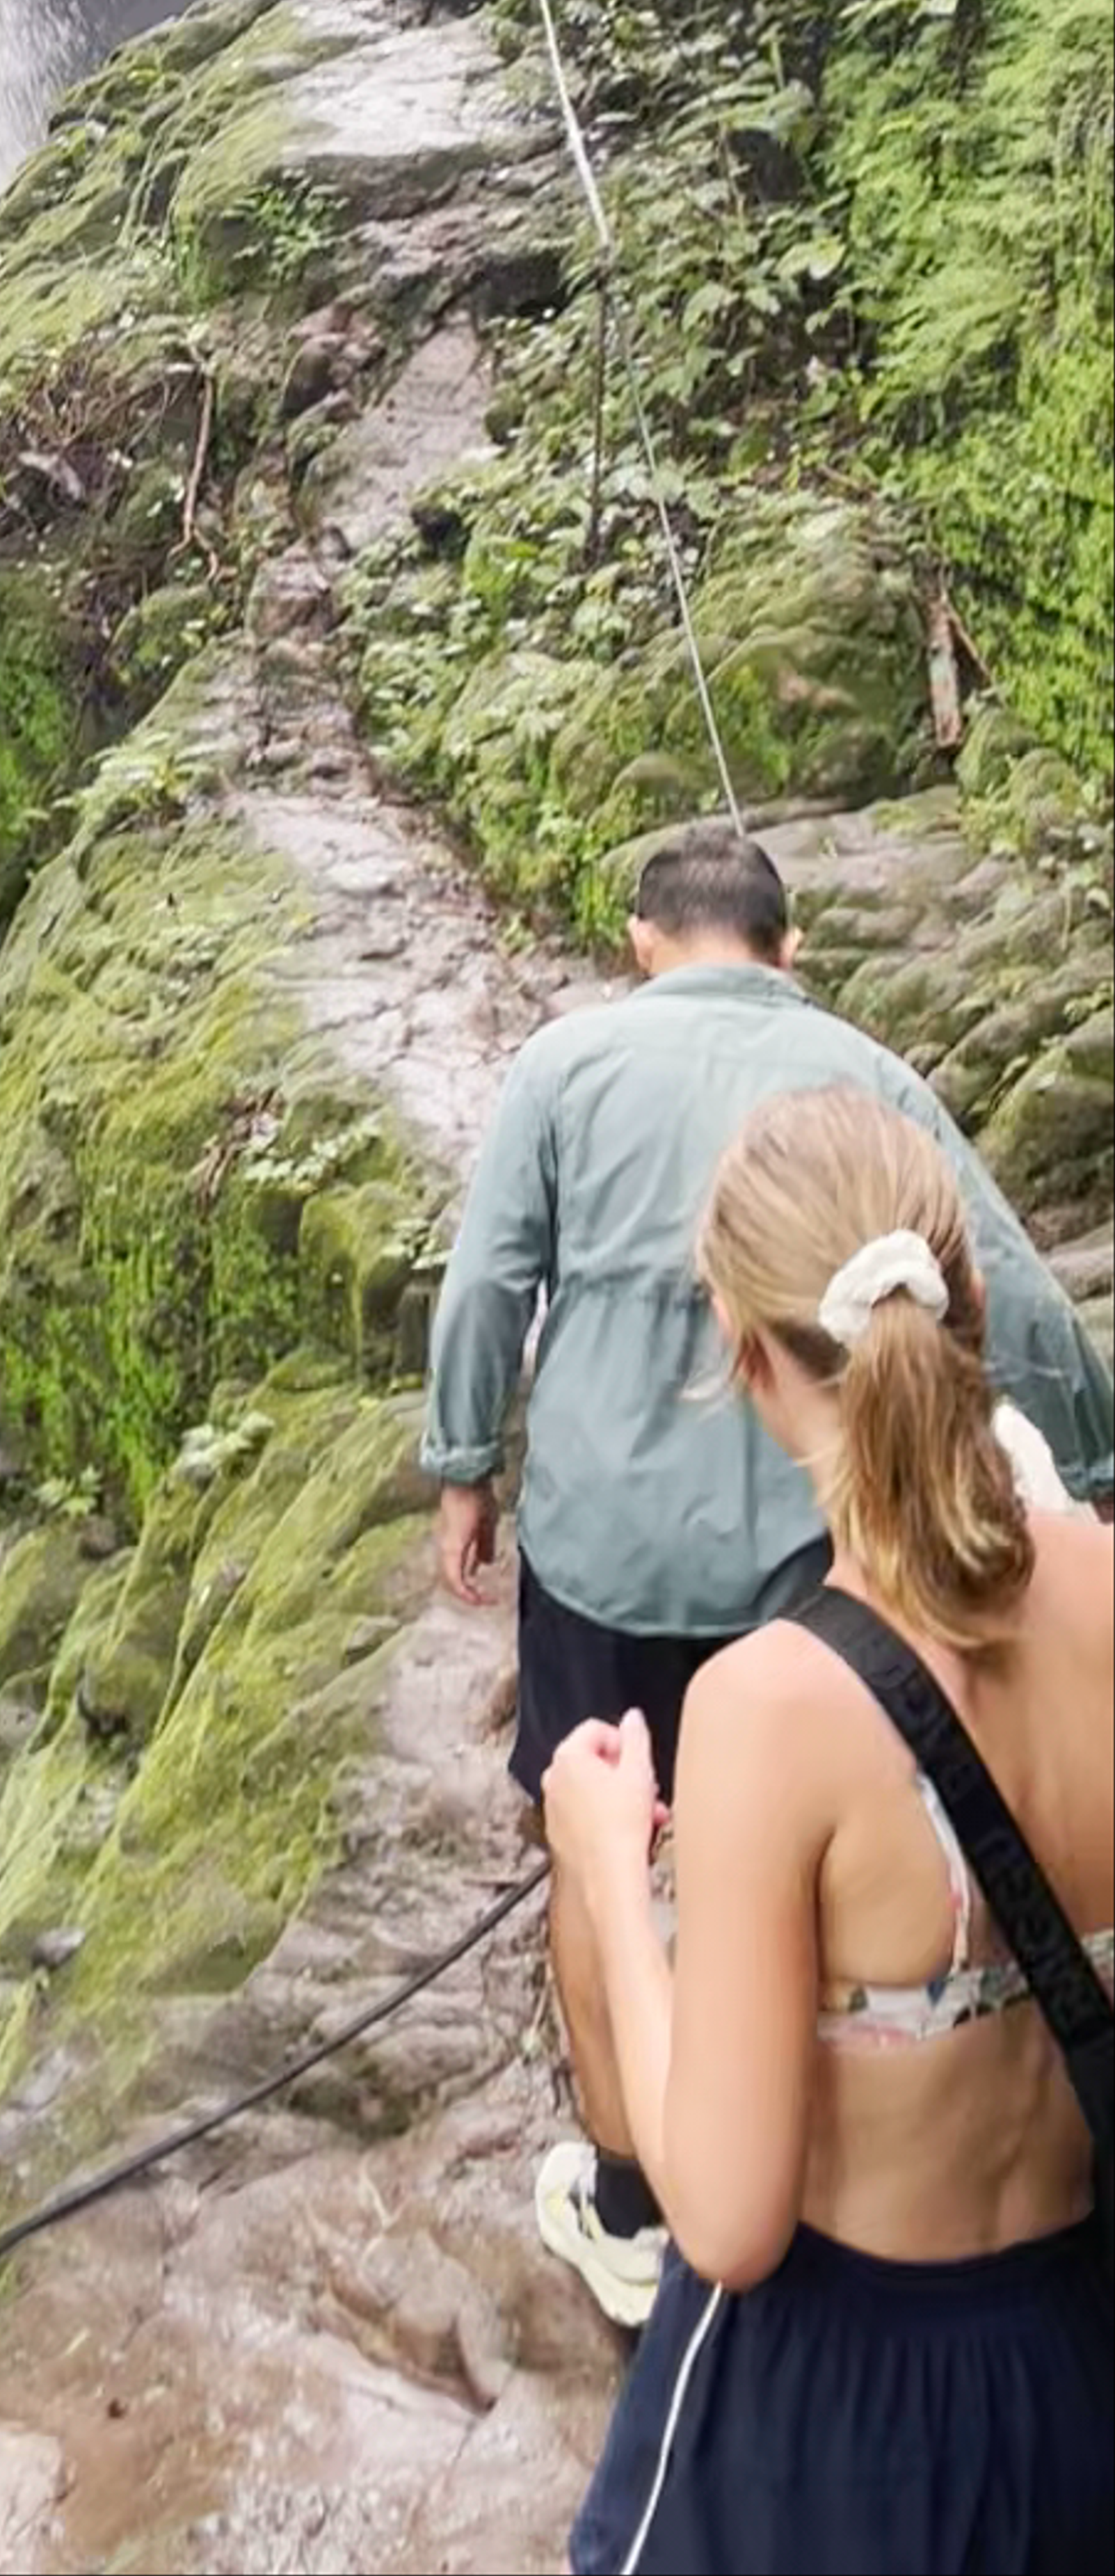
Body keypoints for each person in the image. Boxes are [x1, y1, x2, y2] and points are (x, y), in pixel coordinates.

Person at [419, 821, 1110, 2319]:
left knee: (594, 1848)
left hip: (602, 1549)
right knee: (798, 1862)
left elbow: (488, 1279)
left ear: (641, 939)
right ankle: (815, 2138)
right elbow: (1022, 1297)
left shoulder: (562, 1065)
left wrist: (464, 1459)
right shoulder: (869, 1078)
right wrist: (1092, 1491)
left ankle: (626, 2197)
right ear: (791, 951)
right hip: (813, 1574)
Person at [551, 1090, 1112, 2575]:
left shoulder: (773, 1706)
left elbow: (728, 2219)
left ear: (744, 1356)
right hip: (1073, 2345)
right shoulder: (1110, 1587)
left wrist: (611, 1865)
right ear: (970, 1298)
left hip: (844, 2408)